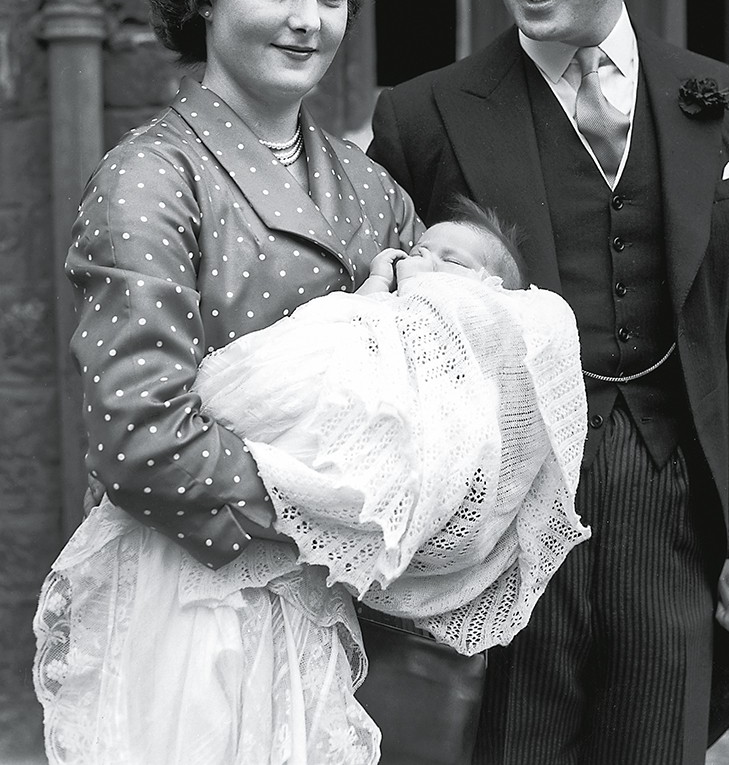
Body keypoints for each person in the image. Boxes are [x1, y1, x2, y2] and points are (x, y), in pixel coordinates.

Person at [368, 0, 729, 765]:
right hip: (505, 533)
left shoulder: (721, 102)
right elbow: (383, 354)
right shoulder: (422, 116)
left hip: (674, 511)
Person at [33, 0, 425, 764]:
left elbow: (426, 389)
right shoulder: (151, 177)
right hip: (186, 609)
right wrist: (331, 514)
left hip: (331, 614)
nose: (307, 19)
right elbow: (139, 436)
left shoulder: (373, 193)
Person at [34, 194, 590, 764]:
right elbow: (340, 330)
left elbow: (459, 420)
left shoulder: (476, 328)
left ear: (491, 290)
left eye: (451, 261)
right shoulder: (386, 300)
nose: (423, 262)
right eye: (420, 250)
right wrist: (377, 285)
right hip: (249, 444)